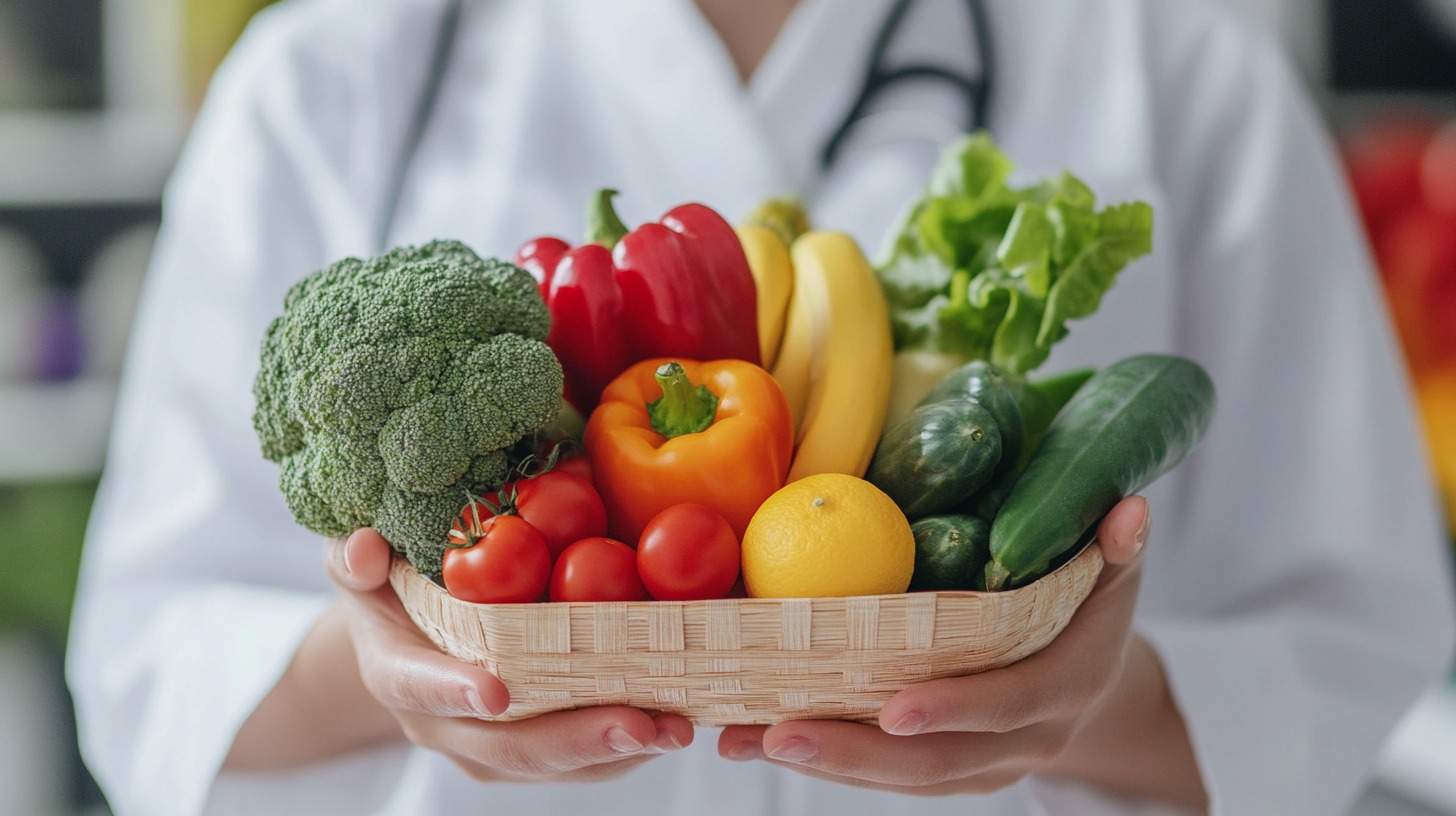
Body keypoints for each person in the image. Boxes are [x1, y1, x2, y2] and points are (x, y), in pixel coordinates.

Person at [65, 0, 1456, 814]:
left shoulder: (1175, 59)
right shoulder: (334, 72)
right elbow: (147, 660)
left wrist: (1071, 703)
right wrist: (405, 669)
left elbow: (1352, 629)